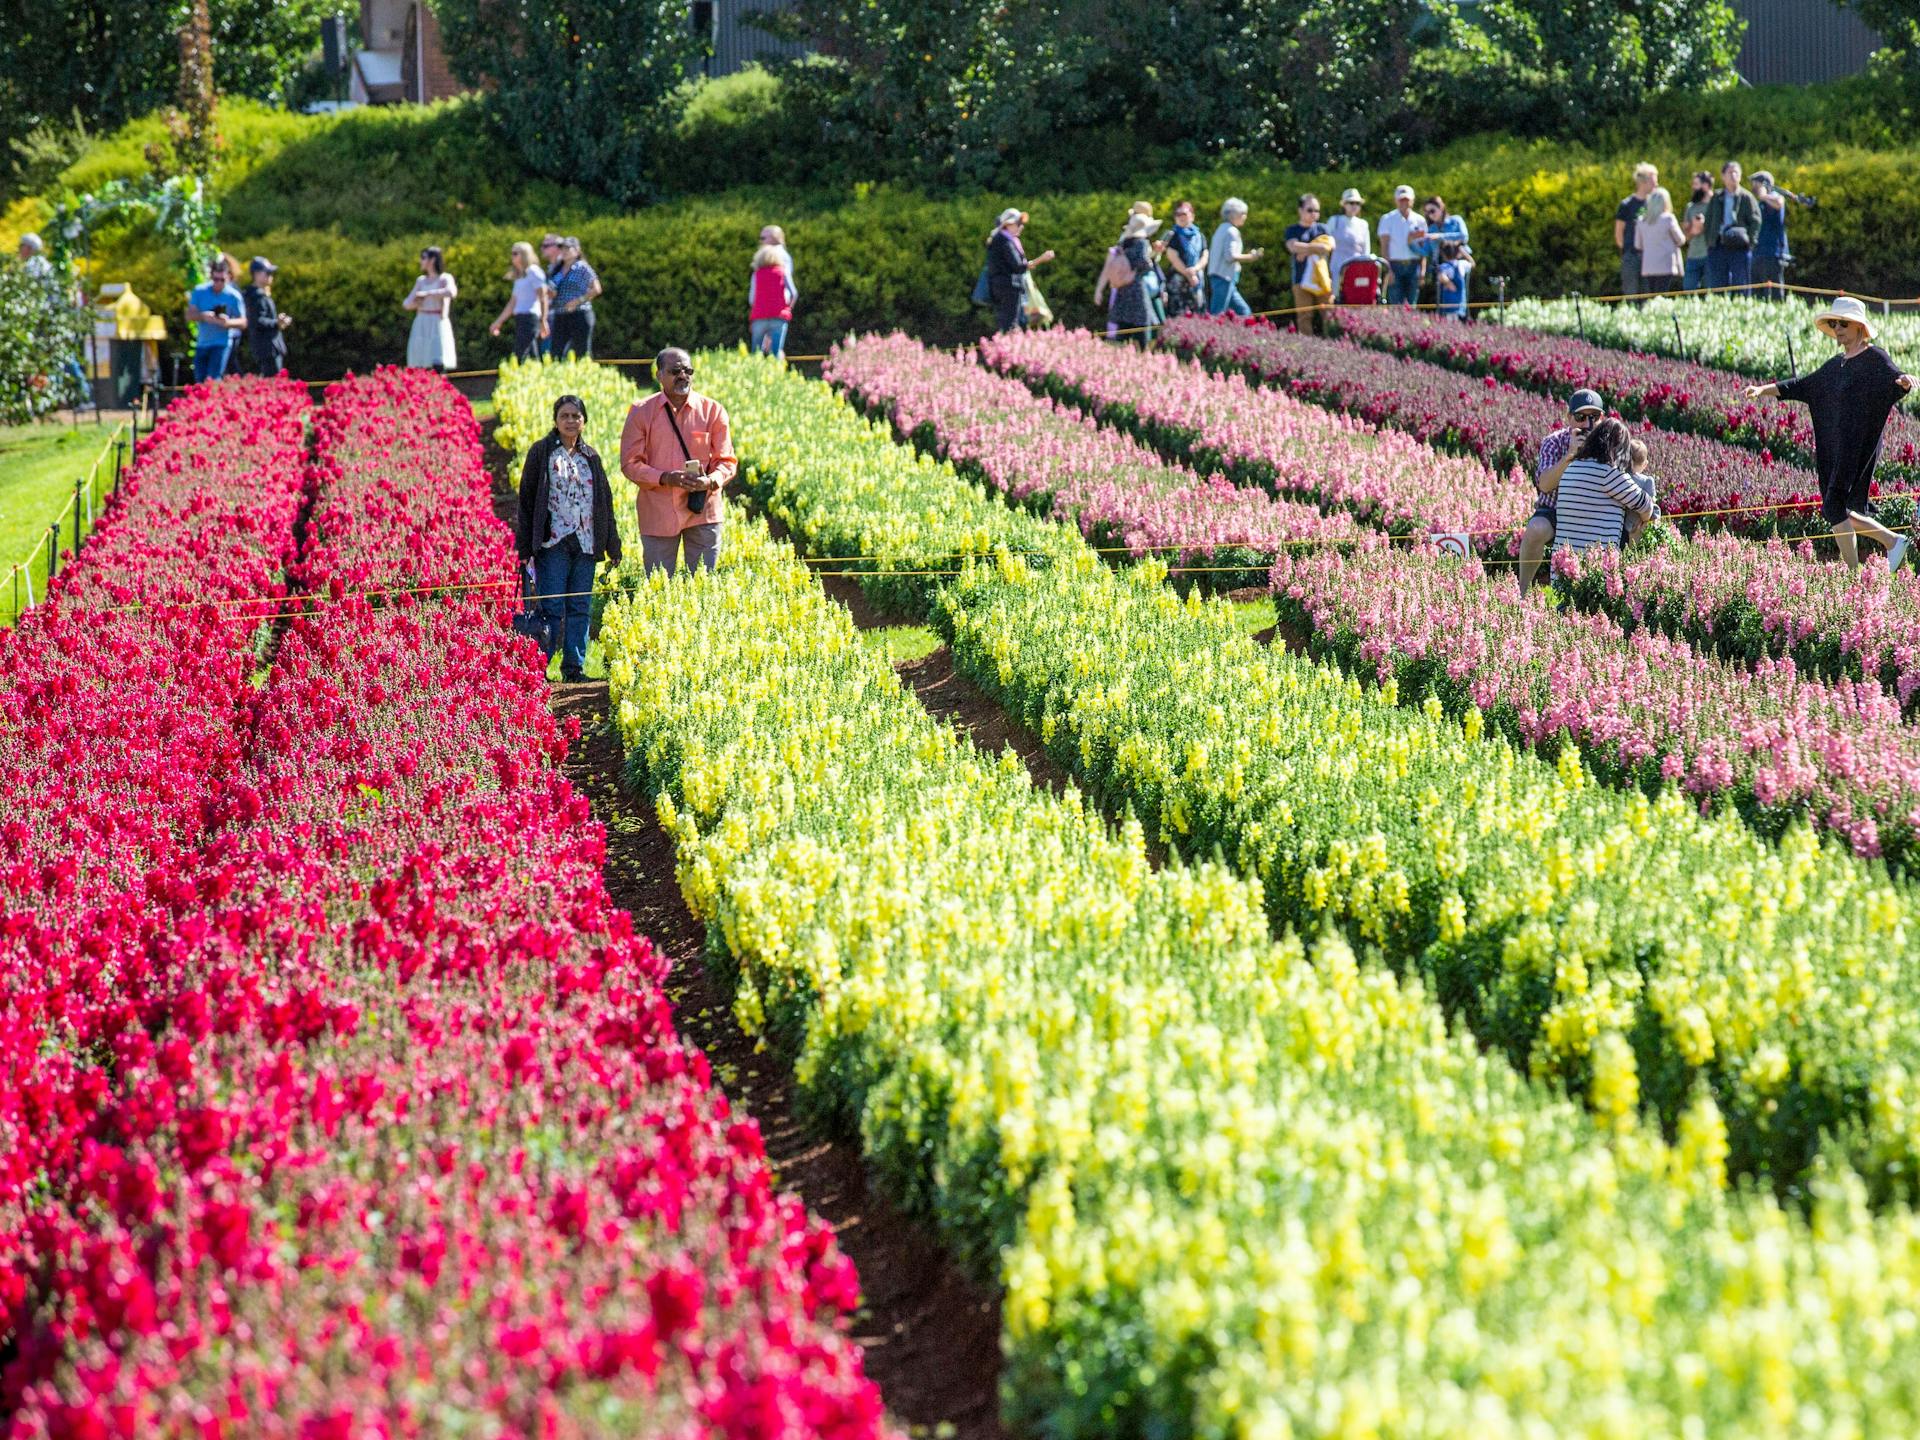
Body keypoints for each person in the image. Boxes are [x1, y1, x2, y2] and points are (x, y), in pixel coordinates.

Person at [1745, 296, 1917, 572]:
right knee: (1834, 508)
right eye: (1834, 323)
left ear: (1859, 327)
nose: (1838, 329)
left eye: (1844, 324)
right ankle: (1893, 541)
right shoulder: (1836, 364)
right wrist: (1761, 390)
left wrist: (1905, 382)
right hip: (1835, 446)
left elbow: (1895, 378)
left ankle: (1854, 573)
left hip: (1856, 445)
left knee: (1835, 506)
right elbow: (1802, 385)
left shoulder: (1875, 357)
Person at [516, 393, 623, 681]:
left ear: (584, 421)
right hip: (553, 543)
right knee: (551, 607)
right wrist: (524, 547)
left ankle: (574, 668)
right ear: (555, 420)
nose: (571, 421)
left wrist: (612, 544)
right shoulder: (541, 452)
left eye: (576, 416)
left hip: (586, 543)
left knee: (579, 607)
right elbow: (526, 501)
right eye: (564, 415)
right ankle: (539, 669)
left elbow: (605, 503)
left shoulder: (591, 457)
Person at [619, 347, 737, 576]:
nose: (683, 376)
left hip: (702, 510)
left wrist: (710, 481)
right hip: (658, 513)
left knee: (704, 585)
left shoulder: (713, 411)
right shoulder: (641, 412)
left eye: (688, 371)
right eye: (675, 371)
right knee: (659, 587)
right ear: (659, 375)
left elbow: (727, 462)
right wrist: (665, 478)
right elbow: (630, 464)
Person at [1517, 388, 1604, 590]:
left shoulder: (1610, 442)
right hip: (1556, 510)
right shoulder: (1554, 442)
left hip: (1595, 512)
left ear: (1603, 417)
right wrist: (1570, 455)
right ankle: (1522, 592)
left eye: (1594, 417)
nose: (1587, 424)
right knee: (1536, 529)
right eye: (1580, 417)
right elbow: (1545, 485)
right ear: (1569, 418)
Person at [1551, 418, 1656, 557]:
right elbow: (1646, 506)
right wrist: (1638, 525)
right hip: (1594, 562)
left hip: (1562, 561)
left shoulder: (1571, 467)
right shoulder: (1609, 472)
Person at [984, 209, 1055, 334]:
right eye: (1018, 223)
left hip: (1001, 286)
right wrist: (1041, 259)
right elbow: (1018, 266)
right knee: (1011, 324)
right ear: (1008, 224)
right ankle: (1009, 345)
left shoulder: (999, 239)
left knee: (1007, 322)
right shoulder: (1004, 241)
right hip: (1009, 287)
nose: (1021, 226)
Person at [186, 256, 246, 383]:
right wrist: (203, 316)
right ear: (211, 277)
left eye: (222, 280)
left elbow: (243, 322)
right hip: (202, 342)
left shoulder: (233, 296)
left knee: (213, 379)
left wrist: (227, 323)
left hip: (221, 343)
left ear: (228, 277)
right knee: (199, 379)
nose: (218, 283)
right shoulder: (200, 291)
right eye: (215, 279)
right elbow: (189, 315)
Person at [1703, 161, 1760, 296]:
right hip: (1718, 246)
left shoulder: (1746, 197)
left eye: (1736, 172)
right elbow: (1708, 220)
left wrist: (1750, 242)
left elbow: (1756, 221)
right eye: (1730, 172)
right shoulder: (1717, 197)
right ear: (1723, 176)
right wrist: (1709, 241)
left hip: (1739, 246)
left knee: (1741, 285)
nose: (1733, 175)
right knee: (1717, 285)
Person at [490, 242, 550, 361]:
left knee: (519, 355)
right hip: (521, 318)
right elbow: (512, 303)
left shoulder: (533, 271)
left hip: (530, 318)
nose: (512, 256)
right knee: (532, 356)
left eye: (515, 253)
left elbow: (543, 297)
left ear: (525, 254)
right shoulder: (520, 276)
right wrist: (498, 322)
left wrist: (543, 320)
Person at [1283, 194, 1334, 335]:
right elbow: (1292, 247)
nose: (1314, 214)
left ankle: (1334, 344)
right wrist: (1316, 248)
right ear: (1300, 210)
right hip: (1301, 281)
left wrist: (1305, 251)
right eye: (1310, 210)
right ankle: (1307, 346)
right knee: (1304, 317)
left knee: (1329, 315)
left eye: (1317, 210)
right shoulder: (1292, 230)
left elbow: (1329, 246)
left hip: (1322, 280)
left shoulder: (1323, 229)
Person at [1107, 211, 1160, 346]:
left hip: (1123, 286)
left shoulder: (1124, 243)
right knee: (1142, 323)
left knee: (1124, 323)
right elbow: (1143, 263)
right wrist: (1154, 257)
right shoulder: (1141, 243)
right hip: (1136, 287)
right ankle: (1143, 351)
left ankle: (1119, 349)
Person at [403, 246, 458, 371]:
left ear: (432, 260)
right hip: (421, 322)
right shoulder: (421, 281)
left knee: (437, 359)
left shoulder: (444, 278)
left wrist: (428, 294)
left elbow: (452, 292)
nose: (421, 261)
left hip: (437, 322)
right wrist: (417, 302)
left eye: (424, 258)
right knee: (419, 361)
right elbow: (407, 303)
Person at [1207, 198, 1264, 317]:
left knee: (1244, 312)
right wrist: (1251, 257)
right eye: (1243, 213)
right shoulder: (1232, 231)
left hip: (1221, 277)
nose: (1245, 216)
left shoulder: (1221, 228)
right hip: (1224, 277)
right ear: (1232, 214)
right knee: (1217, 314)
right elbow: (1230, 256)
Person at [549, 237, 601, 359]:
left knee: (582, 352)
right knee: (556, 352)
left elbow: (597, 289)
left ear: (577, 251)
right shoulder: (557, 269)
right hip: (560, 315)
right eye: (562, 248)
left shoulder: (582, 267)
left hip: (580, 314)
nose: (564, 251)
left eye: (568, 248)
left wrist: (577, 301)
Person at [1377, 186, 1427, 307]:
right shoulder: (1387, 219)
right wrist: (1389, 270)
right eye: (1401, 200)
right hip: (1395, 265)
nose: (1404, 202)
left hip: (1414, 265)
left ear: (1412, 200)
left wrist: (1422, 270)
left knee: (1412, 304)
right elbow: (1384, 247)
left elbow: (1423, 248)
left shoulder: (1420, 220)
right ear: (1396, 200)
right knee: (1396, 304)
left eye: (1407, 199)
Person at [240, 257, 291, 375]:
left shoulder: (260, 294)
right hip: (266, 348)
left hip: (270, 347)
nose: (270, 276)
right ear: (256, 274)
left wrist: (278, 322)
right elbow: (256, 321)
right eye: (267, 273)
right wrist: (277, 322)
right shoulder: (255, 296)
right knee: (273, 381)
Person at [1614, 163, 1656, 299]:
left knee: (1647, 295)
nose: (1656, 185)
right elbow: (1618, 233)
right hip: (1631, 256)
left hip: (1650, 257)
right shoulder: (1626, 205)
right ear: (1644, 182)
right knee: (1630, 294)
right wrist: (1627, 251)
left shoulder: (1654, 205)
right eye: (1654, 182)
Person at [1634, 187, 1686, 296]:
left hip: (1648, 266)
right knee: (1663, 295)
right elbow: (1681, 240)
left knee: (1653, 295)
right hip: (1666, 265)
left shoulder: (1641, 221)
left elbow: (1638, 245)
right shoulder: (1668, 219)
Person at [1750, 171, 1792, 301]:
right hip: (1759, 252)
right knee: (1758, 291)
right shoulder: (1760, 203)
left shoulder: (1774, 196)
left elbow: (1779, 203)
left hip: (1773, 252)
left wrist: (1763, 196)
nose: (1753, 187)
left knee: (1775, 292)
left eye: (1755, 184)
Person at [1161, 199, 1207, 318]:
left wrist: (1195, 269)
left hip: (1196, 279)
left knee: (1198, 314)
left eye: (1184, 214)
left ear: (1192, 216)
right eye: (1178, 214)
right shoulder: (1172, 235)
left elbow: (1205, 255)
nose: (1181, 217)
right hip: (1178, 282)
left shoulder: (1199, 235)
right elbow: (1172, 257)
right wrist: (1189, 274)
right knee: (1178, 316)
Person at [749, 242, 796, 356]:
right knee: (776, 352)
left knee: (756, 353)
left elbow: (751, 299)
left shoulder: (756, 274)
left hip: (759, 317)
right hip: (778, 316)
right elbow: (794, 294)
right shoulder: (783, 272)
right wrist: (788, 308)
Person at [1327, 189, 1370, 290]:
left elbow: (1366, 251)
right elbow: (1326, 245)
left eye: (1357, 203)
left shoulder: (1363, 224)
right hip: (1337, 269)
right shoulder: (1334, 221)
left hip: (1357, 270)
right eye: (1351, 203)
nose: (1354, 206)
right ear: (1344, 204)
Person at [1681, 172, 1713, 292]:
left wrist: (1705, 226)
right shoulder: (1691, 207)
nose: (1693, 187)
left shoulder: (1715, 205)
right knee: (1688, 289)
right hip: (1693, 255)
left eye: (1696, 184)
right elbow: (1686, 237)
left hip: (1711, 255)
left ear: (1706, 185)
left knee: (1712, 291)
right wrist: (1693, 230)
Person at [537, 233, 566, 357]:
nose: (542, 248)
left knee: (555, 354)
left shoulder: (565, 267)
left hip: (561, 317)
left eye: (546, 246)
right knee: (547, 354)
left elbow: (553, 292)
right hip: (551, 316)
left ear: (557, 247)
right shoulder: (551, 268)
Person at [1434, 241, 1473, 320]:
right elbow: (1472, 263)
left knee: (1449, 322)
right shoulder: (1462, 264)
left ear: (1444, 255)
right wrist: (1464, 252)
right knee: (1457, 322)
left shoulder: (1444, 266)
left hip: (1448, 302)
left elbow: (1440, 276)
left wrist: (1448, 283)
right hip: (1460, 302)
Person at [760, 224, 796, 293]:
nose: (761, 241)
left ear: (774, 238)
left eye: (763, 238)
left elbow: (786, 276)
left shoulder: (780, 254)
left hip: (780, 296)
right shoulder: (768, 254)